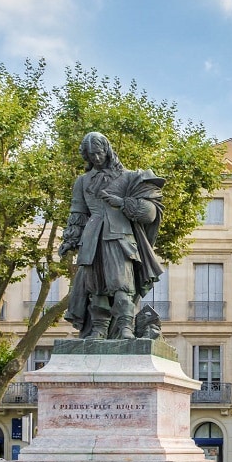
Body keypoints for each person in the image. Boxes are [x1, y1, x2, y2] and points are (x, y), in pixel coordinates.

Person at [59, 132, 166, 339]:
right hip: (91, 238)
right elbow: (77, 214)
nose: (96, 159)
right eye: (91, 155)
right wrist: (70, 240)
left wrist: (122, 203)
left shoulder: (130, 177)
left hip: (120, 237)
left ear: (107, 150)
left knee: (121, 283)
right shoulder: (82, 181)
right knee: (95, 286)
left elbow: (150, 213)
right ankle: (99, 328)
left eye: (99, 153)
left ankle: (126, 326)